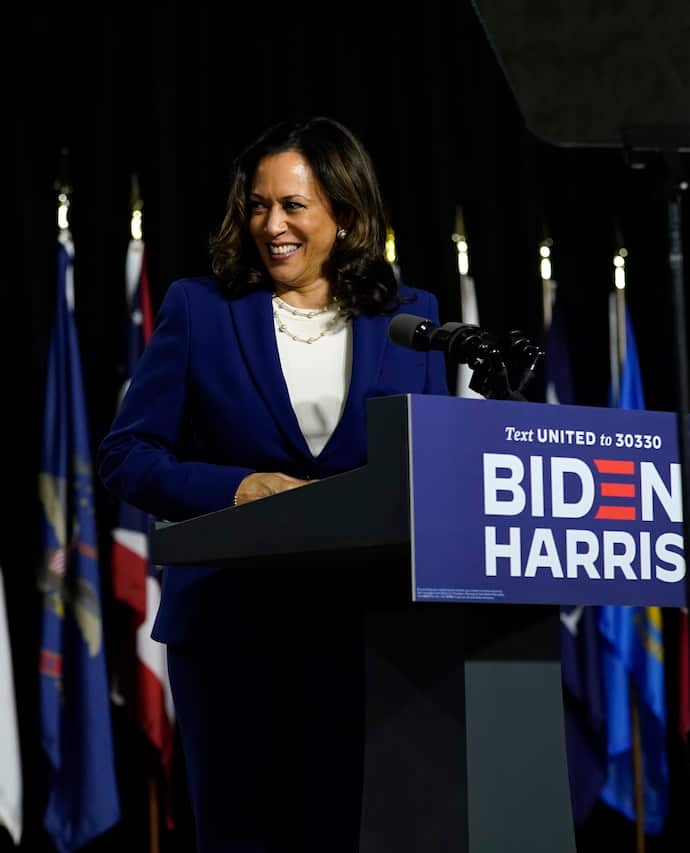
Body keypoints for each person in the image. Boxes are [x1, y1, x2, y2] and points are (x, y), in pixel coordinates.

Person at [97, 116, 448, 851]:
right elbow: (126, 455)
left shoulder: (411, 320)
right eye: (258, 205)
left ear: (346, 215)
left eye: (294, 205)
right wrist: (236, 489)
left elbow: (432, 466)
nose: (271, 224)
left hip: (367, 637)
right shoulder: (201, 309)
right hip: (232, 633)